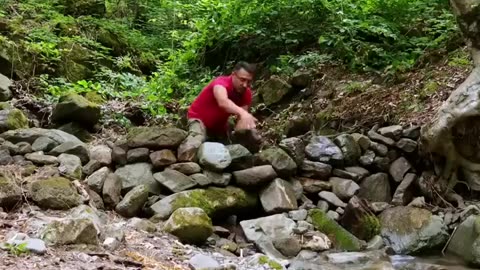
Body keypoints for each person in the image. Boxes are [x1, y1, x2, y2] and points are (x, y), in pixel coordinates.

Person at [186, 61, 261, 151]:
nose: (245, 85)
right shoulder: (221, 83)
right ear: (233, 75)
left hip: (219, 127)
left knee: (229, 149)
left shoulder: (246, 93)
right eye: (242, 80)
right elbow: (223, 102)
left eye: (248, 81)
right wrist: (242, 113)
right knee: (195, 143)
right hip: (198, 119)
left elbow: (241, 119)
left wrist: (248, 127)